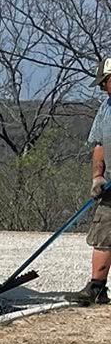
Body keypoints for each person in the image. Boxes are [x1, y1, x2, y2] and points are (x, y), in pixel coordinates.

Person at [69, 57, 111, 306]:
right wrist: (97, 176)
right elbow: (98, 144)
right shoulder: (106, 107)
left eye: (104, 82)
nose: (102, 87)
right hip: (110, 189)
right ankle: (96, 288)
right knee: (103, 234)